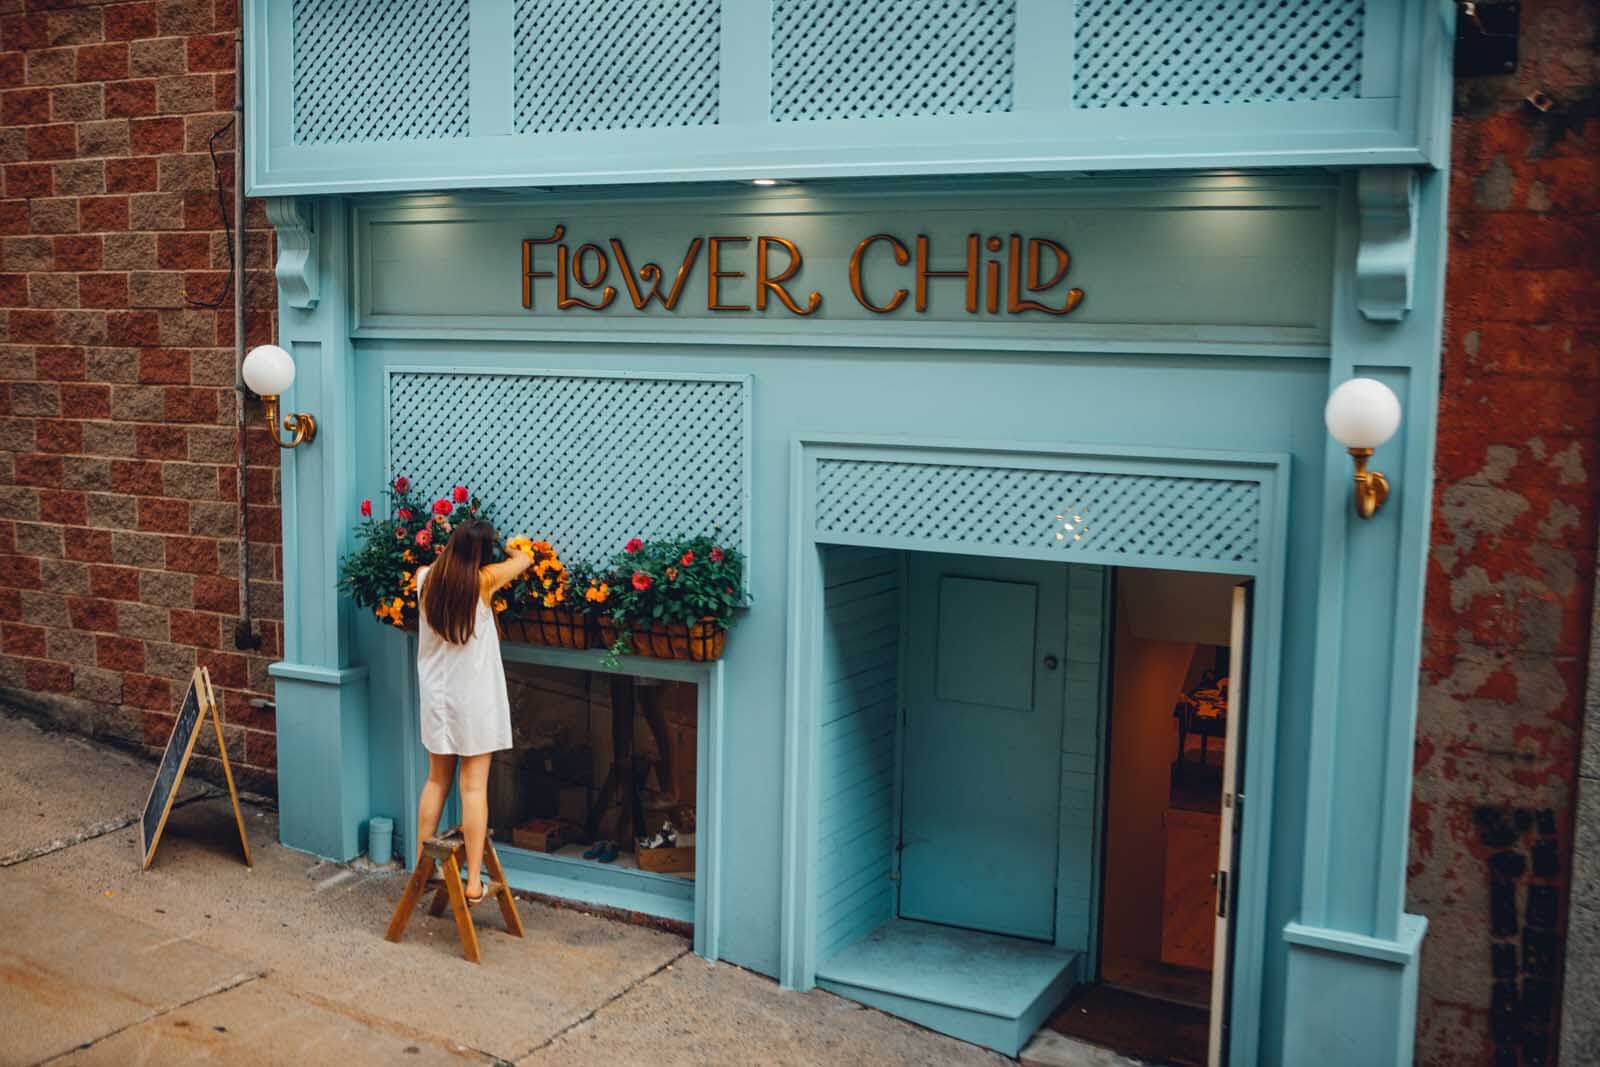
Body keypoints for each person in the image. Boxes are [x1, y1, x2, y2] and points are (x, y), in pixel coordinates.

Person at [414, 519, 532, 904]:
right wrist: (514, 548)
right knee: (474, 787)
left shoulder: (424, 578)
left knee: (436, 781)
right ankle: (473, 882)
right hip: (474, 701)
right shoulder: (483, 582)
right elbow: (525, 560)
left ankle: (421, 866)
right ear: (482, 553)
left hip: (437, 698)